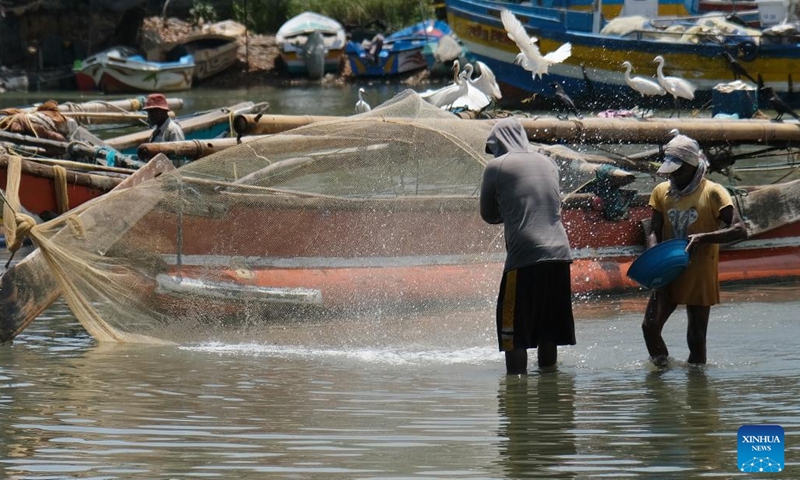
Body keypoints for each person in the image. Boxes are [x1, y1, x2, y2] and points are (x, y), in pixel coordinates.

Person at [480, 117, 575, 374]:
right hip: (559, 255)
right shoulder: (549, 163)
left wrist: (510, 212)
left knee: (513, 336)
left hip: (525, 257)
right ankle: (549, 395)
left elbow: (488, 215)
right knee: (548, 332)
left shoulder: (496, 166)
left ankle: (517, 398)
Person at [642, 134, 747, 365]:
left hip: (699, 271)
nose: (674, 176)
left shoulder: (713, 192)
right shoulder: (662, 192)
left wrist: (703, 238)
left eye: (679, 171)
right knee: (650, 327)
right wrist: (654, 258)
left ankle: (697, 390)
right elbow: (653, 230)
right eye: (671, 171)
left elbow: (740, 230)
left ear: (692, 165)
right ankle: (662, 375)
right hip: (668, 268)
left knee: (696, 338)